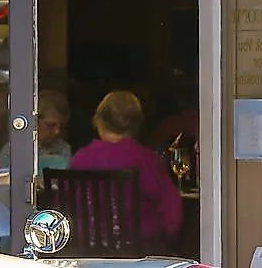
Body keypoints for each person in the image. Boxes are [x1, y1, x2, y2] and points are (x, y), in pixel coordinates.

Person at [69, 89, 184, 251]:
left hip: (88, 249)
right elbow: (171, 211)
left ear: (98, 121)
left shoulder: (80, 159)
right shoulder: (147, 159)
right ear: (137, 124)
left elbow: (66, 205)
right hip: (140, 249)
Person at [33, 91, 74, 170]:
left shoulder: (63, 149)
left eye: (61, 126)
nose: (57, 132)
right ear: (35, 122)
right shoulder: (15, 148)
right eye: (50, 125)